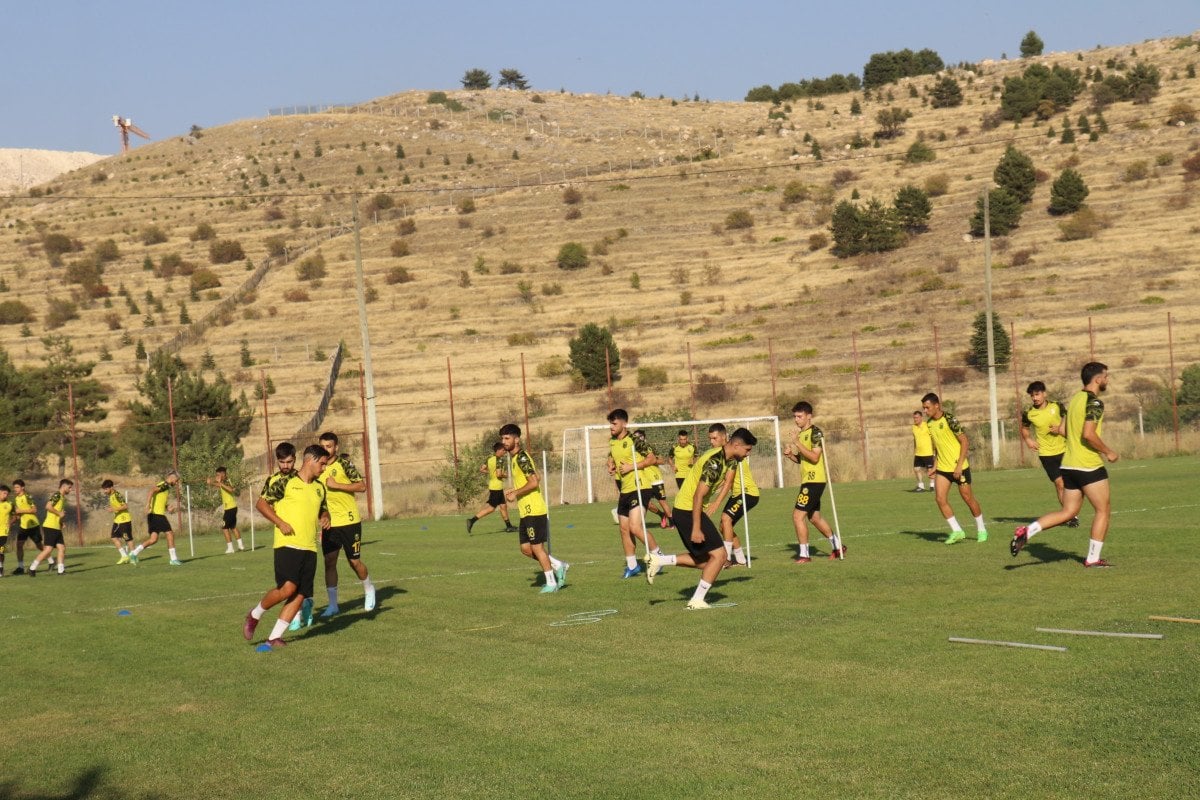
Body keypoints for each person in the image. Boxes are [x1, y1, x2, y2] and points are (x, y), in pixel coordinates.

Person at [1012, 362, 1119, 567]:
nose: (1107, 380)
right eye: (1106, 376)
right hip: (1087, 464)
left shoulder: (1076, 399)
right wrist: (1108, 451)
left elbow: (1065, 431)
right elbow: (1088, 434)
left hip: (1068, 464)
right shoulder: (1094, 403)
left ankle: (1028, 531)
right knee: (1103, 510)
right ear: (1097, 379)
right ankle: (1093, 558)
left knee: (1068, 512)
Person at [647, 428, 757, 610]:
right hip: (687, 510)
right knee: (720, 556)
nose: (748, 454)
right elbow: (698, 496)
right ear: (736, 445)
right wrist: (696, 528)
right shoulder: (714, 462)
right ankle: (696, 601)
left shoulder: (730, 459)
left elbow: (728, 481)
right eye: (747, 450)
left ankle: (660, 560)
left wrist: (716, 502)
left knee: (708, 562)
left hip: (690, 510)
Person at [243, 443, 330, 648]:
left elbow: (323, 510)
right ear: (311, 460)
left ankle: (274, 638)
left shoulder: (320, 487)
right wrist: (280, 522)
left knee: (300, 594)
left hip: (310, 547)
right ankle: (254, 615)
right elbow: (261, 504)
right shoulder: (285, 482)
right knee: (288, 588)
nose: (324, 468)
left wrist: (325, 517)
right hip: (287, 543)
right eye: (323, 464)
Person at [500, 423, 569, 593]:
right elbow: (536, 476)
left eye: (507, 438)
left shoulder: (522, 458)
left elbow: (534, 482)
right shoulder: (516, 459)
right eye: (502, 438)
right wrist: (515, 491)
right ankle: (558, 565)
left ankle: (551, 582)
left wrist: (515, 493)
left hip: (534, 509)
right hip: (525, 511)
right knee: (525, 549)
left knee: (537, 547)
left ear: (517, 439)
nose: (504, 441)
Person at [316, 431, 376, 619]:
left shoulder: (343, 464)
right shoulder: (317, 467)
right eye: (323, 446)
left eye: (329, 446)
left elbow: (361, 486)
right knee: (329, 562)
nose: (325, 450)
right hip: (330, 524)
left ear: (336, 447)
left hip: (350, 521)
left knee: (354, 562)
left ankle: (369, 589)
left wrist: (337, 485)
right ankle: (333, 605)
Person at [920, 393, 988, 544]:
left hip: (959, 467)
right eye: (923, 408)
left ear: (937, 405)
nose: (925, 411)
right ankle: (957, 531)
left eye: (927, 407)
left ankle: (982, 529)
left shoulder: (950, 419)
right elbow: (939, 447)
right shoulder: (930, 424)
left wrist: (958, 466)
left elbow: (964, 442)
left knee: (968, 499)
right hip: (943, 469)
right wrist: (934, 467)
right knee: (939, 498)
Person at [785, 402, 846, 562]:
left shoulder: (815, 433)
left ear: (809, 416)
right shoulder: (802, 434)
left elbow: (815, 457)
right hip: (808, 481)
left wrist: (796, 442)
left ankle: (804, 555)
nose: (796, 420)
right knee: (814, 518)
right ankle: (838, 546)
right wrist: (791, 455)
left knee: (798, 516)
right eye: (795, 417)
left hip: (814, 481)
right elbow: (804, 459)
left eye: (799, 416)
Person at [606, 409, 661, 579]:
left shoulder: (635, 440)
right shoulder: (613, 442)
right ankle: (632, 566)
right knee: (624, 529)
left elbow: (652, 458)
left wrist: (632, 466)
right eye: (610, 423)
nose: (611, 427)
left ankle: (658, 556)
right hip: (625, 490)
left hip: (640, 487)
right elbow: (612, 456)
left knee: (635, 527)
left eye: (614, 423)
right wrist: (611, 465)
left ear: (624, 423)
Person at [1020, 382, 1078, 528]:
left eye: (1037, 394)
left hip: (1065, 450)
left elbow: (1067, 419)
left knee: (1072, 484)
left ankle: (1070, 512)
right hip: (1046, 454)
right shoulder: (1029, 413)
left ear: (1044, 393)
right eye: (1032, 395)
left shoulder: (1057, 406)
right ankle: (1070, 516)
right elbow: (1024, 428)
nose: (1035, 398)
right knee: (1060, 484)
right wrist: (1027, 439)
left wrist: (1060, 428)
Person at [129, 471, 181, 565]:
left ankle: (134, 553)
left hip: (153, 515)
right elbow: (152, 490)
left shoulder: (166, 487)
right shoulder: (165, 484)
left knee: (153, 539)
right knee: (169, 533)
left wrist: (167, 507)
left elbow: (158, 500)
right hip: (157, 515)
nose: (176, 483)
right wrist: (147, 505)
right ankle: (173, 559)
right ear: (172, 478)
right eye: (176, 481)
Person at [467, 442, 516, 534]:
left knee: (503, 506)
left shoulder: (490, 459)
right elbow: (499, 474)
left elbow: (482, 469)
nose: (505, 452)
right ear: (498, 450)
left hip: (494, 486)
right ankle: (472, 520)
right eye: (503, 450)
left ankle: (509, 526)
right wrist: (506, 475)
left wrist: (491, 473)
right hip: (496, 487)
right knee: (491, 508)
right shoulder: (500, 460)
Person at [29, 479, 72, 576]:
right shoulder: (57, 495)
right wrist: (59, 513)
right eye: (69, 487)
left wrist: (61, 522)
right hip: (50, 526)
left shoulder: (62, 498)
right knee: (48, 549)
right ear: (64, 486)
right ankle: (32, 567)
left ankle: (61, 571)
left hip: (56, 527)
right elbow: (48, 506)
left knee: (62, 547)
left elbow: (58, 513)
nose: (71, 489)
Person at [632, 429, 673, 528]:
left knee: (662, 501)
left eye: (637, 437)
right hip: (643, 481)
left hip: (655, 479)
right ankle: (661, 515)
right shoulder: (634, 450)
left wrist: (651, 461)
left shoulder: (650, 447)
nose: (636, 439)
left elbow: (662, 460)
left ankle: (672, 523)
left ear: (643, 437)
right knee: (646, 503)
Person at [209, 466, 246, 553]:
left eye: (218, 475)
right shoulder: (223, 482)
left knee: (224, 528)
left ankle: (230, 548)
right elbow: (219, 485)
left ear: (223, 474)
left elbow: (231, 489)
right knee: (233, 527)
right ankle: (241, 546)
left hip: (230, 508)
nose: (217, 476)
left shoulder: (227, 481)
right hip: (231, 508)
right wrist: (211, 482)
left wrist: (220, 483)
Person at [11, 479, 43, 574]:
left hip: (33, 525)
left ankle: (51, 561)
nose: (15, 489)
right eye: (14, 487)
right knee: (19, 545)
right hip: (23, 526)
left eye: (17, 487)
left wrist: (20, 511)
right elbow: (18, 513)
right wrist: (12, 520)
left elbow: (34, 510)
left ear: (22, 487)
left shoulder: (28, 496)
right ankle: (20, 567)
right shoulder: (16, 499)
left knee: (40, 546)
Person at [102, 479, 134, 564]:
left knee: (128, 539)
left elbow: (125, 506)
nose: (104, 491)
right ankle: (124, 556)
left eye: (106, 489)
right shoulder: (111, 496)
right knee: (113, 537)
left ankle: (134, 556)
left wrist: (113, 509)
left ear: (111, 487)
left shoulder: (117, 495)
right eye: (104, 489)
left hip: (124, 520)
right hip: (117, 521)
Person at [911, 410, 935, 492]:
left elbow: (933, 438)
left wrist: (935, 449)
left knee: (930, 470)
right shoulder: (913, 427)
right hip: (918, 453)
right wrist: (914, 449)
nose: (915, 419)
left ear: (921, 417)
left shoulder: (927, 425)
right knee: (916, 469)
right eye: (914, 418)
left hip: (928, 452)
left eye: (917, 417)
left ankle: (932, 486)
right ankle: (921, 486)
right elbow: (915, 439)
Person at [0, 484, 13, 577]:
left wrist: (11, 522)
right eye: (4, 493)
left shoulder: (9, 504)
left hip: (3, 530)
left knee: (0, 550)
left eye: (7, 494)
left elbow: (16, 515)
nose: (6, 495)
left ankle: (0, 569)